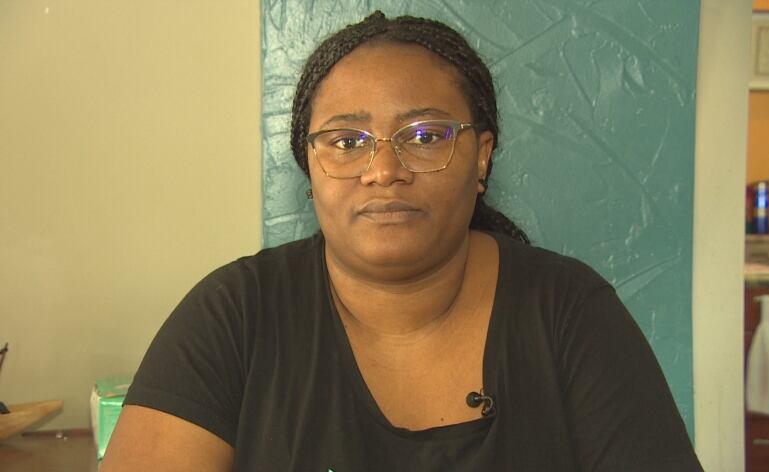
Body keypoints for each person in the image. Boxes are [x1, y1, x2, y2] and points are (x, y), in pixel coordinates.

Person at [101, 11, 703, 471]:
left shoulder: (568, 310)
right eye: (346, 141)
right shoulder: (233, 315)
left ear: (482, 156)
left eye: (425, 134)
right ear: (309, 169)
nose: (383, 170)